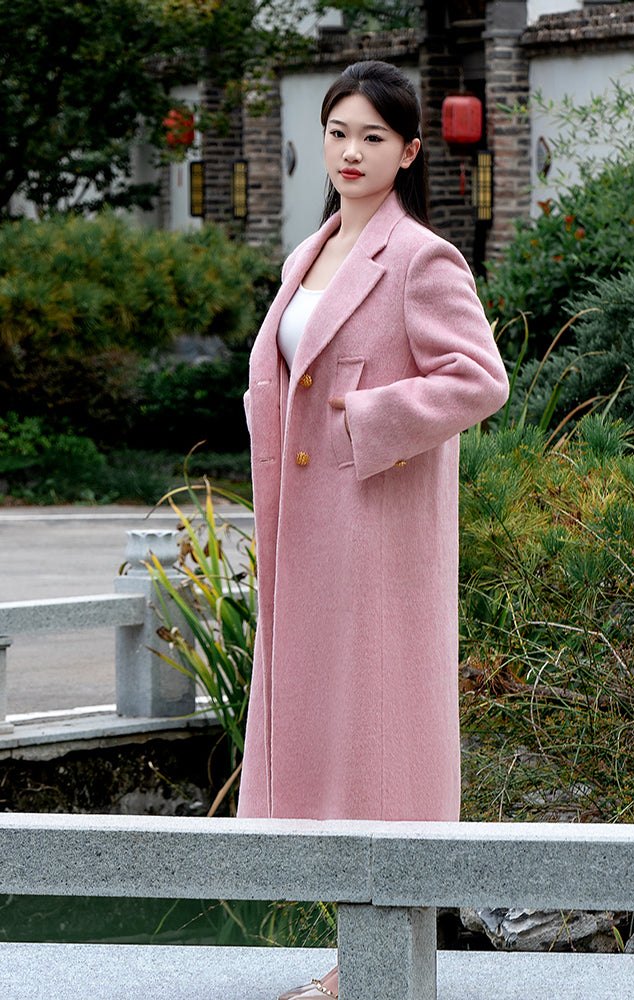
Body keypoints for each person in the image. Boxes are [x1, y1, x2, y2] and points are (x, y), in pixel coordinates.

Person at [237, 60, 509, 999]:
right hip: (306, 536)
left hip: (376, 537)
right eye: (338, 132)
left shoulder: (423, 258)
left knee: (380, 741)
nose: (351, 152)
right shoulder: (305, 256)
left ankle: (371, 966)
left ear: (409, 151)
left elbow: (479, 379)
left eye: (373, 137)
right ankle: (359, 959)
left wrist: (364, 420)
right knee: (322, 738)